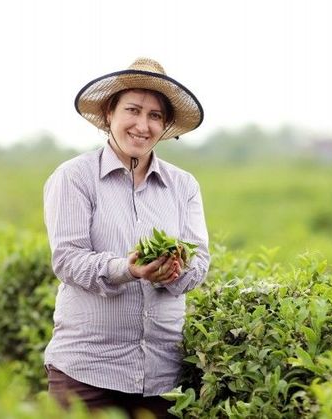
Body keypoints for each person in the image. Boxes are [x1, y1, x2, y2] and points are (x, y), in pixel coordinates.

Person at [43, 57, 210, 419]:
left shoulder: (183, 186)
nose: (142, 125)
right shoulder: (75, 177)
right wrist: (128, 269)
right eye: (132, 110)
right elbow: (68, 259)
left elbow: (200, 262)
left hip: (162, 377)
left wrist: (175, 270)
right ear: (109, 113)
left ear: (164, 125)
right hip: (86, 373)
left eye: (155, 116)